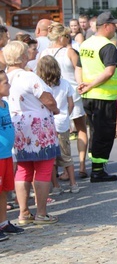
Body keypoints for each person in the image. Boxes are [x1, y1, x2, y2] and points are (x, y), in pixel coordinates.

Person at [4, 41, 60, 225]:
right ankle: (42, 213)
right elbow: (49, 100)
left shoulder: (5, 77)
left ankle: (23, 212)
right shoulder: (29, 77)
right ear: (21, 57)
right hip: (37, 126)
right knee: (43, 169)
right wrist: (56, 110)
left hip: (16, 125)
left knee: (23, 169)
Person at [40, 23, 89, 180]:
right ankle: (81, 165)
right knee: (81, 128)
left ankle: (60, 169)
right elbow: (79, 70)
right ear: (61, 37)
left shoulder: (44, 53)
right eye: (66, 36)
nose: (68, 39)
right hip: (72, 93)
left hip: (52, 96)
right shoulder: (70, 52)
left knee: (55, 133)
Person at [77, 11, 117, 182]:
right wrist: (91, 85)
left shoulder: (86, 44)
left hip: (88, 96)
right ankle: (97, 171)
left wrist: (82, 84)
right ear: (106, 26)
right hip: (103, 96)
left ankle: (96, 166)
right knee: (105, 133)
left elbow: (78, 67)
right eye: (114, 25)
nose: (116, 28)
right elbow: (109, 72)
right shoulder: (108, 46)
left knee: (95, 131)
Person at [36, 56, 79, 194]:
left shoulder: (41, 85)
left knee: (51, 157)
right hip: (62, 123)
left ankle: (56, 186)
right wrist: (66, 115)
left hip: (47, 124)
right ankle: (73, 184)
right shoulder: (65, 83)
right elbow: (71, 103)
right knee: (66, 155)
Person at [0, 70, 25, 240]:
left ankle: (3, 222)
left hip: (7, 155)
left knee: (4, 191)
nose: (8, 85)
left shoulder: (5, 104)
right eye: (5, 82)